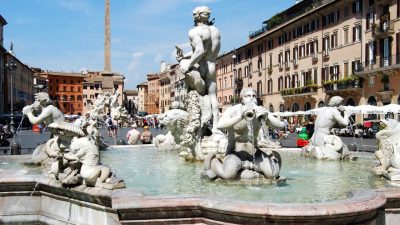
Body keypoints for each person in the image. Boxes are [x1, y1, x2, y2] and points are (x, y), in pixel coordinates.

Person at [203, 88, 285, 180]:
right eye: (248, 96)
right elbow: (220, 125)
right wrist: (240, 116)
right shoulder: (233, 110)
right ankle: (213, 161)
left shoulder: (260, 110)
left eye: (254, 96)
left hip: (255, 153)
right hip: (235, 153)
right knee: (228, 175)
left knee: (272, 175)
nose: (251, 99)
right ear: (242, 99)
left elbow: (281, 126)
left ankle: (273, 158)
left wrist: (267, 118)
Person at [176, 6, 221, 134]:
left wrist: (186, 63)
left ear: (196, 16)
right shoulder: (215, 31)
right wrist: (185, 55)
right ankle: (216, 127)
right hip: (212, 65)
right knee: (213, 97)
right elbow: (206, 50)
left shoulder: (194, 31)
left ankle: (196, 123)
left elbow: (200, 51)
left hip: (202, 66)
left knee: (194, 91)